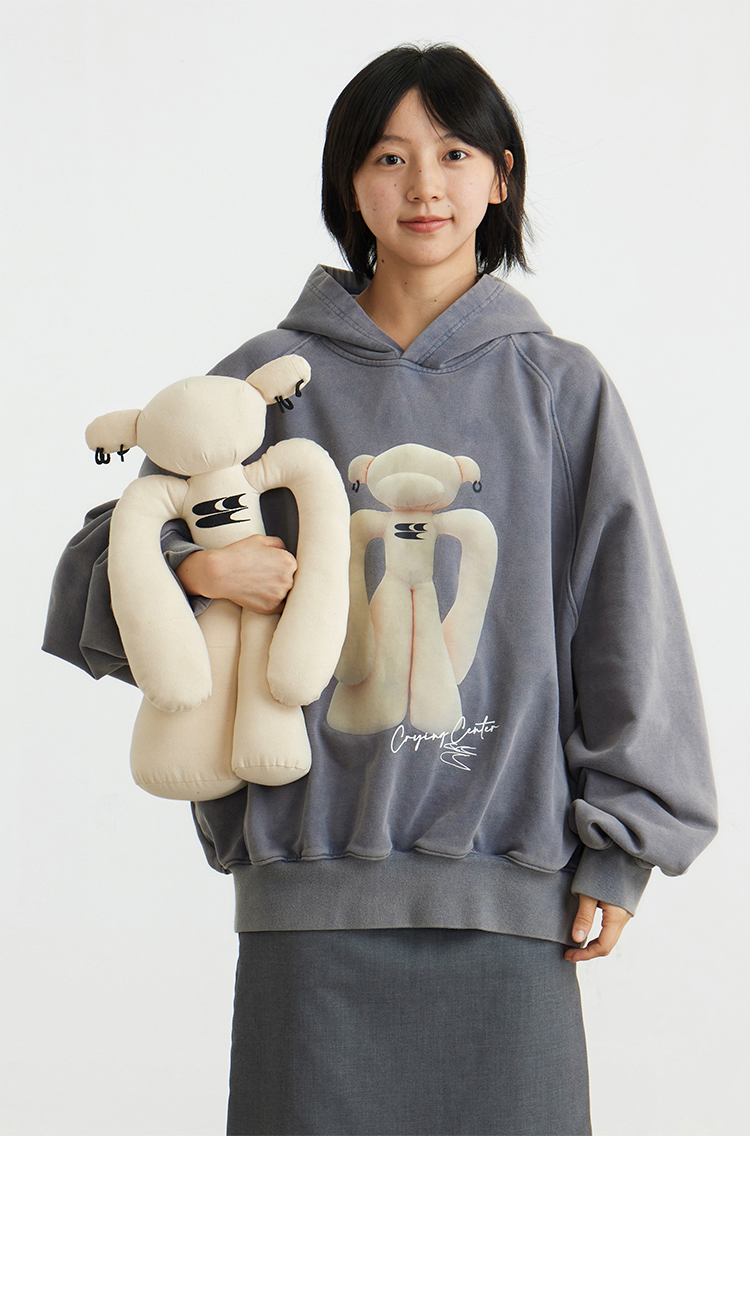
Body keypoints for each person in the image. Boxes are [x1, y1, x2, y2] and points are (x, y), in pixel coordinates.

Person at [43, 43, 718, 1136]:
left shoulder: (560, 388)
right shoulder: (272, 377)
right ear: (348, 182)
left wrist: (625, 842)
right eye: (389, 158)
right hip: (309, 908)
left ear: (500, 175)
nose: (424, 187)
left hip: (512, 904)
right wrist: (194, 566)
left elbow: (624, 615)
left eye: (453, 154)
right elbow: (101, 553)